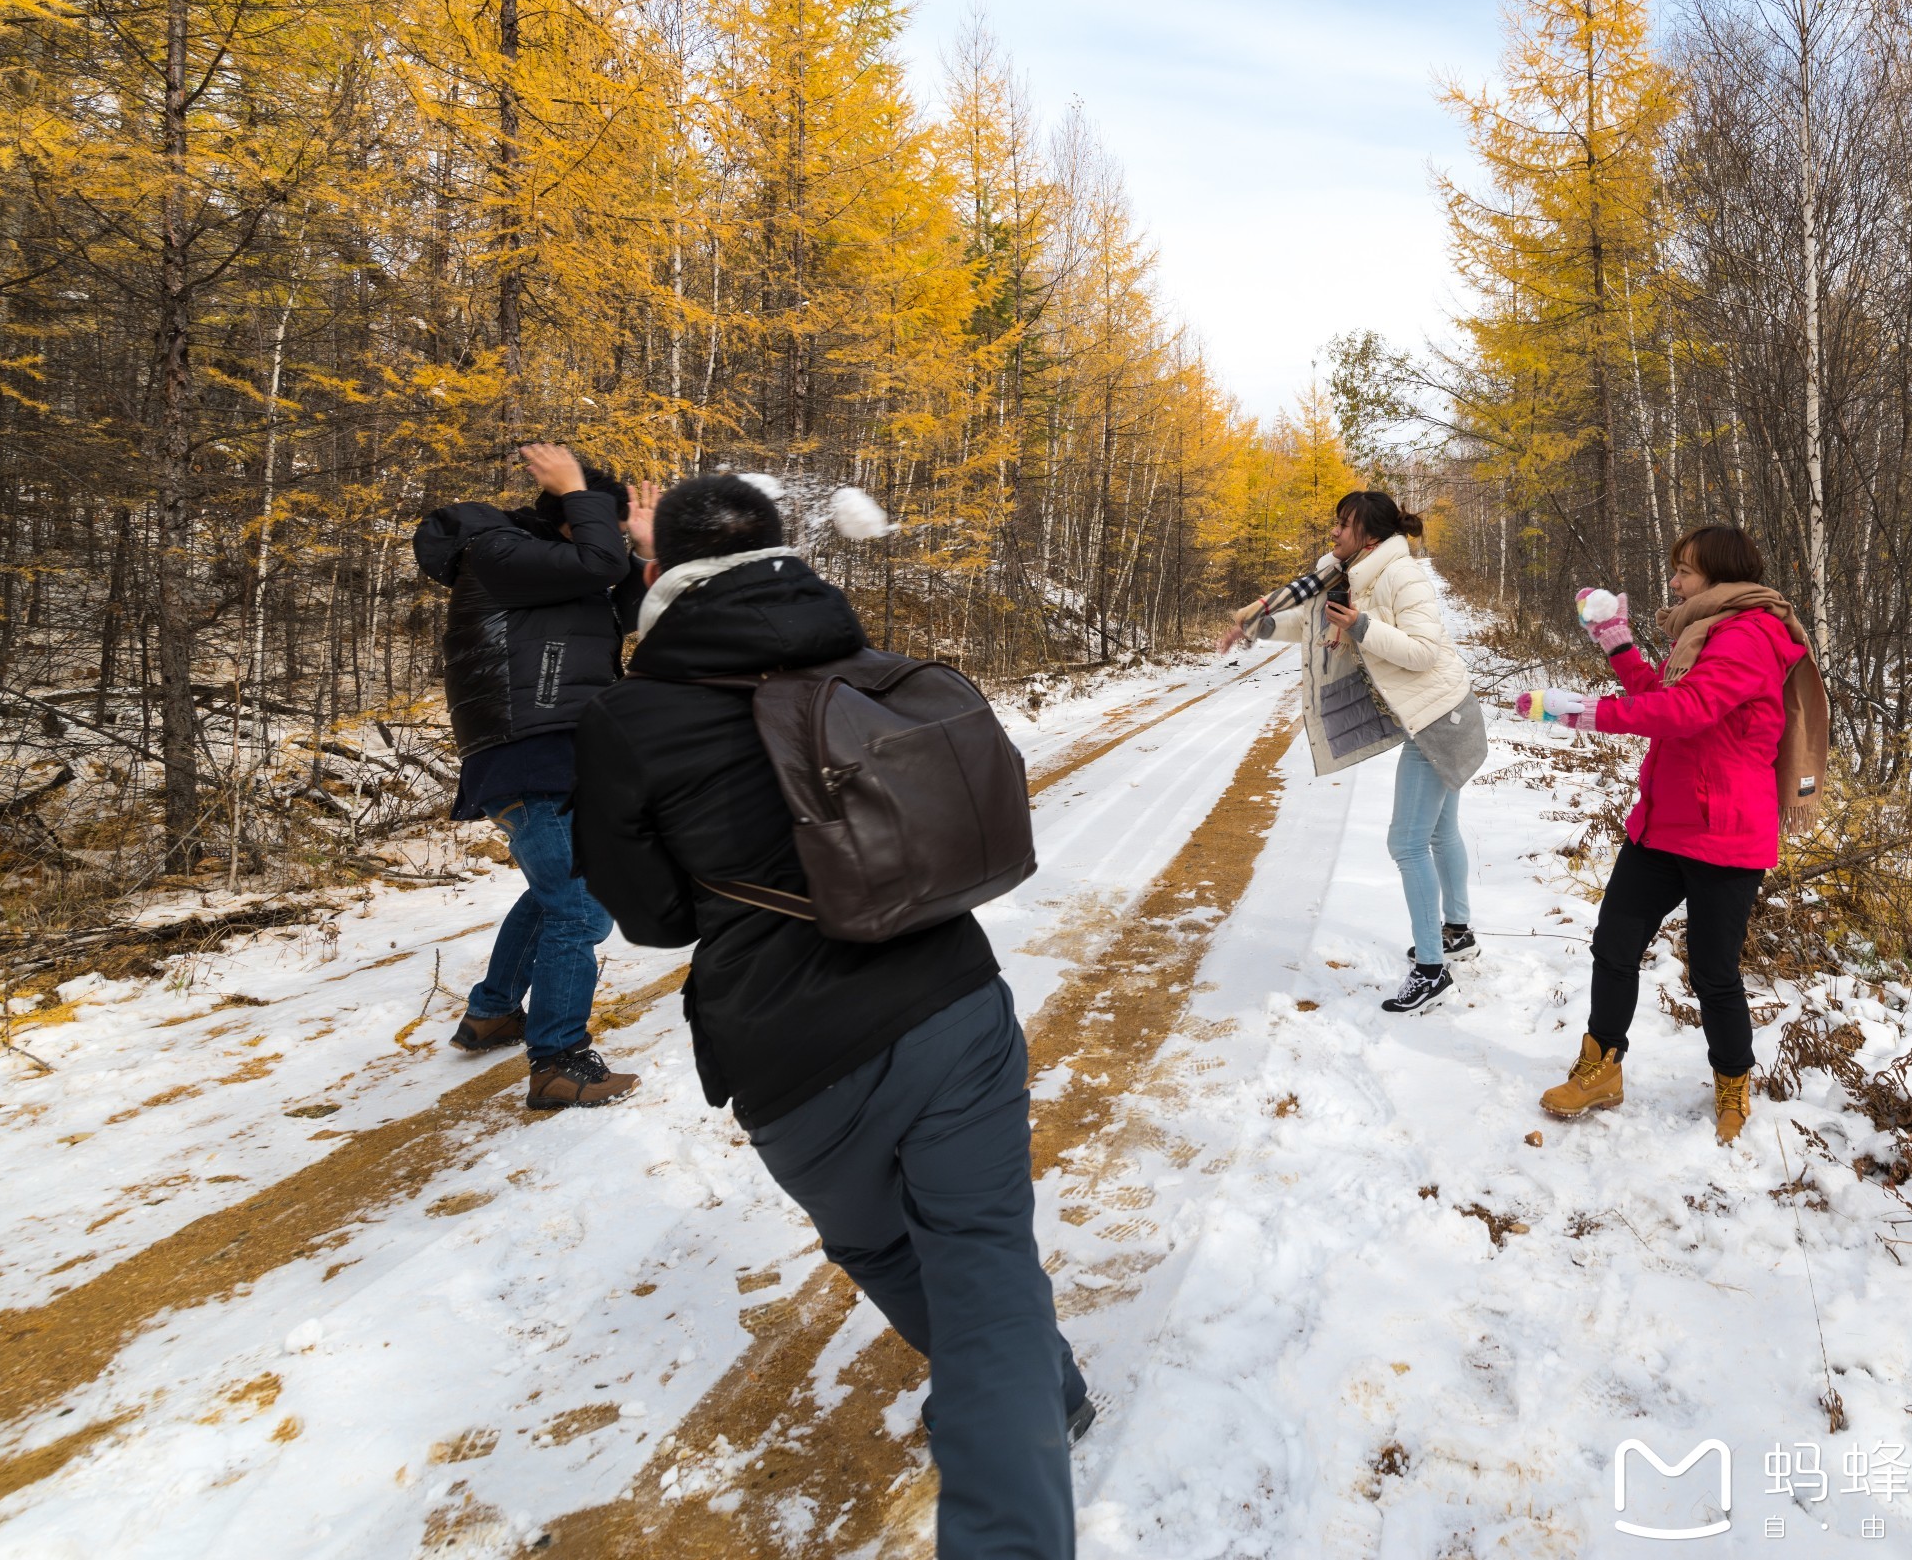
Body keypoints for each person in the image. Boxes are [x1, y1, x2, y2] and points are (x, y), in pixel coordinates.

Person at [570, 474, 1091, 1560]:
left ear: (657, 574)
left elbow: (656, 918)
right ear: (781, 559)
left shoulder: (632, 714)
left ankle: (1031, 1398)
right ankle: (1032, 1405)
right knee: (983, 1257)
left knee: (877, 1241)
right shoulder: (864, 667)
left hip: (792, 1055)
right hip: (954, 1001)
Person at [1518, 524, 1829, 1145]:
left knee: (1713, 974)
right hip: (1662, 826)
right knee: (1613, 948)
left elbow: (1687, 712)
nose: (1673, 581)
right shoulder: (1702, 631)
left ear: (1717, 575)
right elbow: (1663, 694)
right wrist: (1617, 644)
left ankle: (1732, 1086)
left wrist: (1579, 710)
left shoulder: (1749, 636)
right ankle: (1601, 1069)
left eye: (1684, 570)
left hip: (1725, 837)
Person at [412, 442, 657, 1109]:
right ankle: (559, 1061)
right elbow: (600, 562)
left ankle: (491, 1012)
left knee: (558, 894)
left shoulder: (561, 573)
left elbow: (632, 609)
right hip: (528, 751)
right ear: (568, 517)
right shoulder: (496, 551)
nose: (610, 545)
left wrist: (648, 547)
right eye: (597, 522)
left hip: (560, 752)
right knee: (579, 908)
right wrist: (579, 487)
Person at [1220, 491, 1487, 1015]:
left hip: (1440, 719)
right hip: (1438, 713)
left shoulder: (1401, 576)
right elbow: (1312, 623)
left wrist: (1361, 626)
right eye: (1336, 523)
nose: (1335, 533)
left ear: (1370, 535)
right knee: (1438, 832)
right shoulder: (1348, 577)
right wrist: (1257, 622)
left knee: (1407, 843)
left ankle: (1432, 970)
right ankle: (1458, 933)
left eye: (1345, 525)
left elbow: (1423, 651)